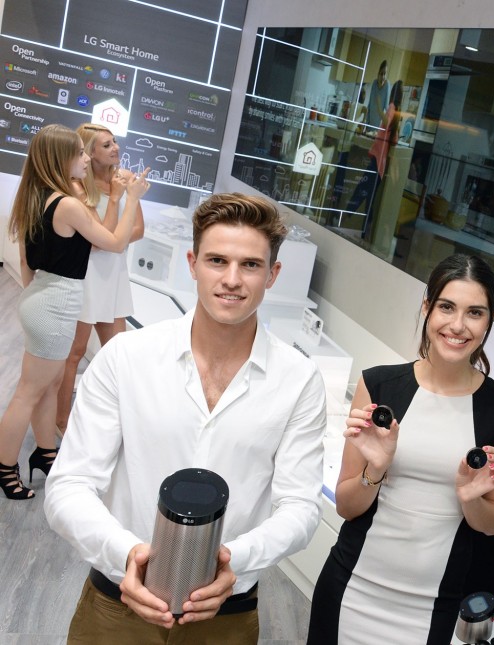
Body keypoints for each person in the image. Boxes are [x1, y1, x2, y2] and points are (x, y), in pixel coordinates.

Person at [44, 193, 328, 644]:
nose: (232, 280)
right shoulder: (126, 358)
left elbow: (300, 507)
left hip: (226, 614)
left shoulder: (298, 381)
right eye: (217, 260)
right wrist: (129, 556)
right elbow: (69, 485)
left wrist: (233, 560)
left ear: (273, 274)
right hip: (119, 604)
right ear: (193, 264)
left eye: (251, 265)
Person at [307, 253, 494, 644]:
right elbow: (346, 505)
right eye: (446, 307)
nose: (458, 326)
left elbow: (492, 523)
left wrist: (470, 498)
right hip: (352, 589)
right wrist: (375, 470)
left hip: (435, 608)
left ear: (490, 320)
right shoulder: (379, 386)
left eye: (474, 312)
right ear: (427, 308)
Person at [0, 123, 147, 500]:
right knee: (29, 392)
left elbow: (26, 261)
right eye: (79, 153)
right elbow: (114, 243)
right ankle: (4, 469)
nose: (85, 157)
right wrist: (129, 198)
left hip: (47, 299)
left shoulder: (39, 197)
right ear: (61, 160)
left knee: (46, 386)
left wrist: (41, 294)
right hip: (55, 304)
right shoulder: (67, 204)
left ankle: (46, 453)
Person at [55, 123, 145, 436]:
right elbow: (98, 240)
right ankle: (61, 422)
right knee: (74, 354)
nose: (115, 148)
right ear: (90, 152)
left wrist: (113, 236)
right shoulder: (79, 186)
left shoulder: (125, 180)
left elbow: (137, 229)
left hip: (114, 276)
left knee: (116, 354)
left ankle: (111, 424)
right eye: (106, 145)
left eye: (115, 142)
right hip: (87, 274)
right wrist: (117, 212)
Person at [347, 80, 403, 236]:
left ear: (392, 93)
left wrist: (379, 106)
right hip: (381, 163)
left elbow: (386, 121)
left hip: (377, 160)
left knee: (362, 191)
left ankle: (345, 217)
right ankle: (363, 229)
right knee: (368, 196)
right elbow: (395, 138)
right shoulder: (398, 110)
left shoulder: (391, 108)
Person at [365, 60, 390, 130]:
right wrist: (366, 123)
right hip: (370, 121)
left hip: (379, 123)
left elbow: (386, 107)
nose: (383, 76)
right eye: (381, 74)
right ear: (378, 74)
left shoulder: (387, 85)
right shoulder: (374, 83)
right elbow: (370, 105)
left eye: (385, 74)